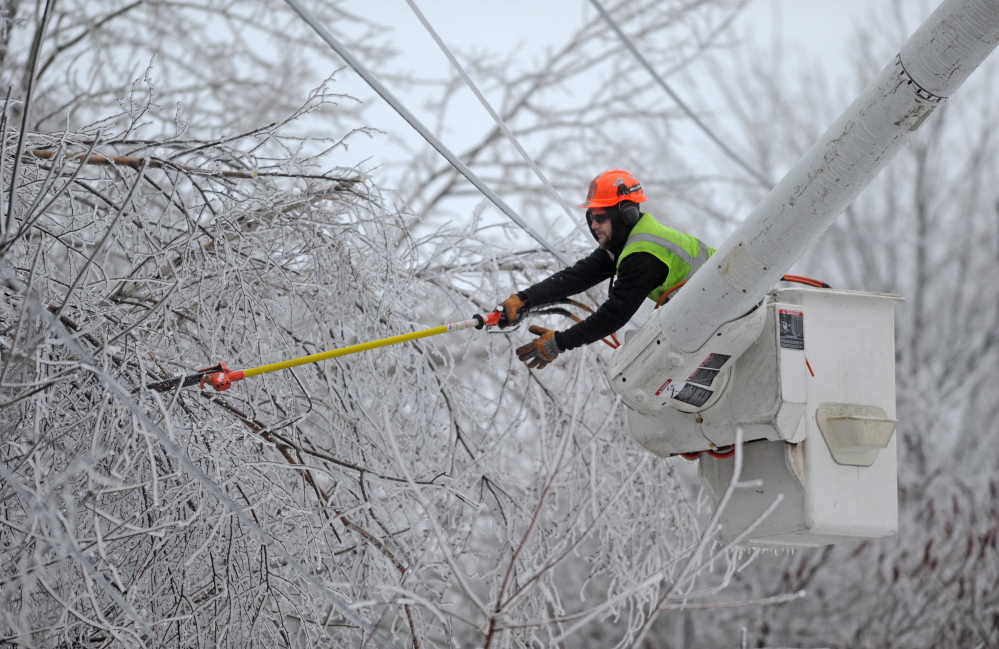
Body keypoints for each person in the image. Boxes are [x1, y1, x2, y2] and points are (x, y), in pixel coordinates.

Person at [500, 169, 715, 369]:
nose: (594, 225)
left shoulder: (644, 254)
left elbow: (614, 315)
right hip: (712, 308)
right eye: (591, 217)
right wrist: (524, 298)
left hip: (731, 299)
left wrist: (559, 343)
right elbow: (578, 276)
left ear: (625, 215)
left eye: (600, 218)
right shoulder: (624, 243)